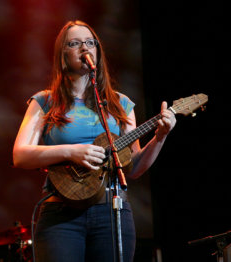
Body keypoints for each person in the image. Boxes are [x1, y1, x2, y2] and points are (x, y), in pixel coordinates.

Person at [12, 20, 176, 262]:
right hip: (60, 214)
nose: (84, 48)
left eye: (90, 42)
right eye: (75, 43)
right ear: (62, 54)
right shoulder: (45, 102)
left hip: (112, 211)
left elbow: (135, 167)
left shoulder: (120, 103)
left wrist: (160, 137)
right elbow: (20, 155)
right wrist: (71, 151)